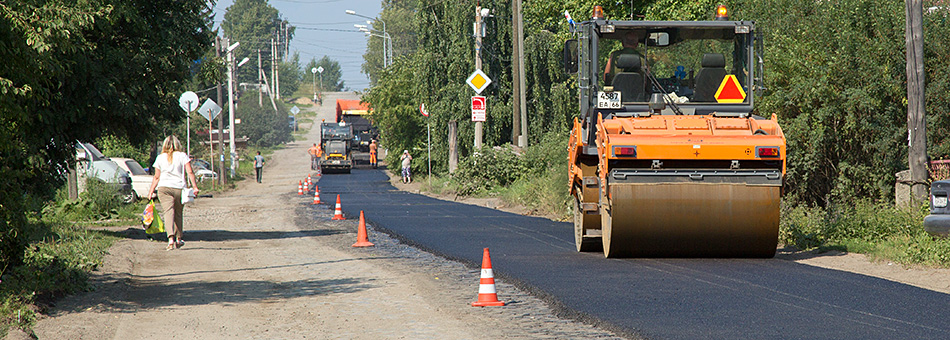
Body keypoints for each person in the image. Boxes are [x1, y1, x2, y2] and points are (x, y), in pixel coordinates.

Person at [147, 135, 199, 251]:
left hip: (164, 188)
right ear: (177, 144)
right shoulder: (182, 156)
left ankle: (170, 239)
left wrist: (151, 192)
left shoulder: (160, 158)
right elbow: (189, 172)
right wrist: (194, 187)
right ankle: (179, 239)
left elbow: (156, 177)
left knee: (168, 212)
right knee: (178, 213)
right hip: (179, 188)